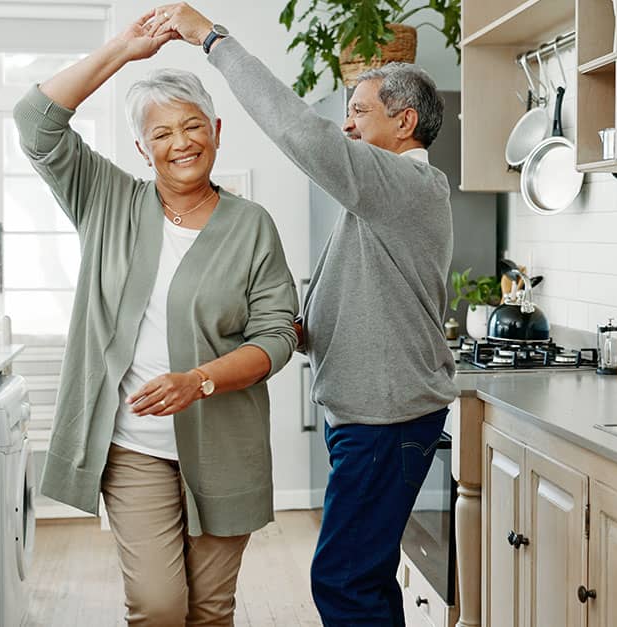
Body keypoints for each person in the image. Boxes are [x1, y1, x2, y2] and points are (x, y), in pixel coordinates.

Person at [148, 5, 457, 624]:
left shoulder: (401, 184)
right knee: (364, 576)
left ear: (405, 121)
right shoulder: (387, 195)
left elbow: (297, 129)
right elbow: (367, 290)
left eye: (358, 112)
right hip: (375, 415)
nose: (344, 127)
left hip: (384, 418)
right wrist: (294, 329)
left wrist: (212, 38)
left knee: (342, 581)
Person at [13, 11, 298, 626]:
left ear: (217, 131)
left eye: (193, 125)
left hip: (226, 444)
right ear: (142, 148)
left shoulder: (251, 226)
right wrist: (122, 50)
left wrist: (198, 380)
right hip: (131, 446)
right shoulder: (108, 199)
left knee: (212, 610)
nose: (181, 143)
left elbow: (277, 335)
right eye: (161, 133)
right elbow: (34, 123)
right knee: (159, 606)